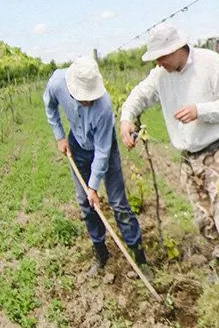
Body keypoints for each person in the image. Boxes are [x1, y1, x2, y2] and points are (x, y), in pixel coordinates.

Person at [119, 24, 219, 284]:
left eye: (161, 56)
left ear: (176, 49)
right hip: (188, 159)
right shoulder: (160, 75)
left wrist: (199, 111)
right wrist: (127, 118)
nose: (158, 63)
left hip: (216, 154)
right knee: (204, 220)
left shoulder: (210, 63)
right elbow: (139, 95)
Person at [43, 57, 149, 277]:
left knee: (118, 202)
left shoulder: (103, 107)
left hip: (104, 148)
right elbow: (50, 105)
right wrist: (59, 136)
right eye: (84, 98)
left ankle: (139, 256)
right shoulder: (57, 82)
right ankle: (100, 252)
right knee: (85, 202)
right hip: (77, 145)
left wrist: (93, 187)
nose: (89, 102)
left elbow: (102, 151)